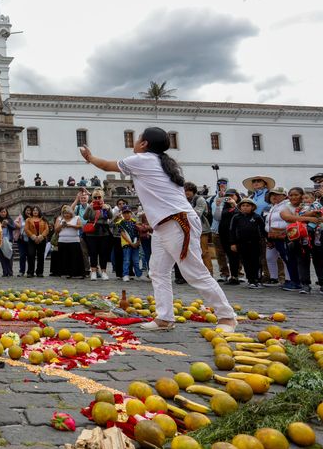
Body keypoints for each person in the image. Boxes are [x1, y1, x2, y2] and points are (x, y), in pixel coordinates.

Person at [81, 126, 238, 332]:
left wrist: (90, 157)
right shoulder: (161, 163)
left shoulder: (142, 160)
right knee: (158, 271)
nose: (135, 142)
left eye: (138, 139)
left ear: (145, 144)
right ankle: (165, 317)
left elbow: (106, 166)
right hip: (165, 225)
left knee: (194, 272)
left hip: (177, 222)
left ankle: (227, 316)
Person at [280, 187, 323, 294]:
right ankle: (305, 284)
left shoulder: (316, 204)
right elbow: (288, 217)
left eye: (296, 195)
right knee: (302, 260)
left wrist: (315, 215)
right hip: (301, 236)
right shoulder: (291, 207)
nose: (293, 197)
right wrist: (310, 217)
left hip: (318, 234)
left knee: (319, 260)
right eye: (291, 195)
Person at [265, 187, 299, 290]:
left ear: (284, 196)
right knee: (271, 257)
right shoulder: (273, 206)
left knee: (287, 258)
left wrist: (284, 230)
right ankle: (275, 278)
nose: (274, 196)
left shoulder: (287, 205)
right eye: (272, 194)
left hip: (283, 235)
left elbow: (290, 220)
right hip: (272, 235)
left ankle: (290, 280)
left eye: (277, 194)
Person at [230, 198, 266, 289]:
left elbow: (263, 230)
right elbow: (232, 231)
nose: (245, 207)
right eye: (243, 206)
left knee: (256, 262)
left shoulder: (257, 217)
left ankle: (257, 279)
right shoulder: (236, 217)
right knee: (246, 262)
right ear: (240, 207)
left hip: (255, 243)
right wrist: (233, 243)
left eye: (248, 206)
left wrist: (267, 240)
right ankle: (250, 280)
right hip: (241, 243)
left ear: (252, 207)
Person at [83, 190, 113, 280]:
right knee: (93, 252)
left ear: (102, 197)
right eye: (95, 197)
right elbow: (85, 217)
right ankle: (93, 271)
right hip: (92, 232)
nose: (97, 199)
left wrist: (107, 209)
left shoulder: (106, 206)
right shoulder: (90, 206)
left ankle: (104, 272)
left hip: (103, 231)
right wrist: (89, 208)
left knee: (103, 253)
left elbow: (111, 216)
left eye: (99, 197)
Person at [217, 189, 243, 285]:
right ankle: (232, 276)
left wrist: (234, 204)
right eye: (228, 196)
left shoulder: (240, 205)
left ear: (237, 196)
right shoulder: (224, 206)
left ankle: (235, 276)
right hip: (224, 234)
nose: (230, 198)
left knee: (234, 255)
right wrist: (219, 205)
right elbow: (217, 217)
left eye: (232, 196)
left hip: (235, 234)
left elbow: (242, 214)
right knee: (229, 255)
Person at [209, 178, 232, 282]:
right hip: (216, 229)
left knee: (232, 252)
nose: (222, 186)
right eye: (220, 184)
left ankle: (237, 273)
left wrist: (227, 198)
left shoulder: (231, 197)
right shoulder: (212, 199)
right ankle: (224, 273)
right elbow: (212, 215)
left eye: (224, 184)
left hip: (229, 230)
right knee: (219, 253)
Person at [56, 206, 85, 278]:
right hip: (62, 240)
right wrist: (61, 226)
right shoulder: (59, 219)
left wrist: (71, 225)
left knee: (75, 258)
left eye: (68, 213)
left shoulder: (76, 218)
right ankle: (64, 272)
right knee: (64, 258)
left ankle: (76, 273)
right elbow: (56, 230)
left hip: (74, 240)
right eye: (65, 213)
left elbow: (80, 226)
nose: (66, 215)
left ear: (71, 213)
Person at [116, 206, 142, 281]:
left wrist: (138, 242)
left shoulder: (135, 222)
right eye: (125, 213)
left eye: (128, 213)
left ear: (131, 213)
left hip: (136, 244)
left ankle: (139, 274)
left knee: (136, 261)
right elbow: (123, 234)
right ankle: (125, 274)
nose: (127, 214)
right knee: (126, 260)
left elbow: (139, 232)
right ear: (122, 214)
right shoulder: (120, 223)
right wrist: (131, 243)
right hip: (126, 244)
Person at [24, 206, 48, 278]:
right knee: (31, 255)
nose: (35, 211)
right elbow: (26, 229)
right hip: (32, 240)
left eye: (37, 210)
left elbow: (46, 229)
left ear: (39, 211)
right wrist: (32, 236)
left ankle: (40, 272)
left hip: (41, 239)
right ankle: (30, 272)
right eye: (34, 210)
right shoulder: (28, 220)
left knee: (40, 256)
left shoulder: (43, 219)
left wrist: (42, 236)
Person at [13, 205, 31, 277]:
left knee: (30, 255)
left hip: (30, 239)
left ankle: (30, 271)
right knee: (22, 255)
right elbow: (14, 222)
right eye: (27, 210)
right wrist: (20, 226)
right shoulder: (21, 217)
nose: (28, 212)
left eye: (29, 210)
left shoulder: (32, 218)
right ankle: (21, 271)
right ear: (24, 211)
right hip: (22, 239)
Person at [0, 207, 15, 277]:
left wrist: (8, 224)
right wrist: (1, 226)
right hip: (0, 241)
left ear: (6, 212)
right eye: (1, 212)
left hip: (8, 240)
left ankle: (10, 271)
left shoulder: (10, 220)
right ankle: (5, 272)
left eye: (4, 212)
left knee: (9, 255)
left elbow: (13, 227)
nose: (3, 213)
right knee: (2, 256)